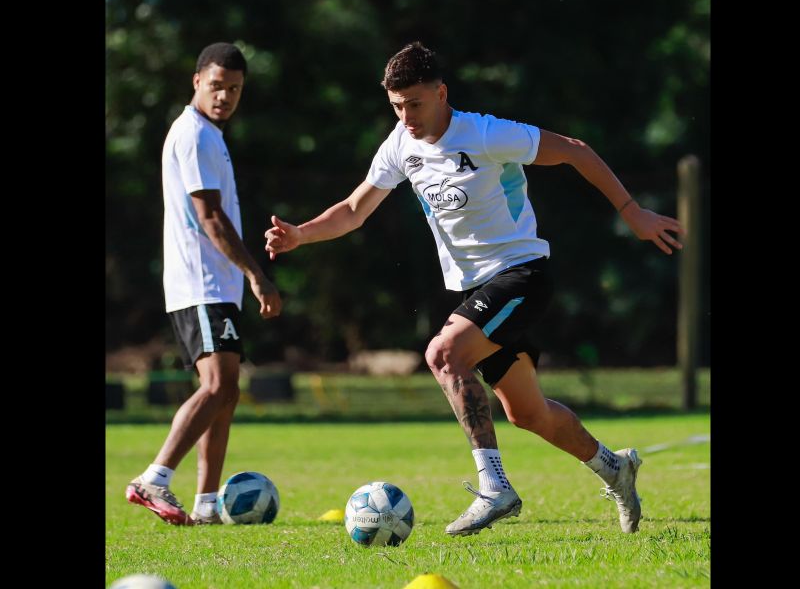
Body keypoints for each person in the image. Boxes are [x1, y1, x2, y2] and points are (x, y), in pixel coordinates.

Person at [265, 41, 685, 536]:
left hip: (522, 274)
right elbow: (356, 209)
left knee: (443, 354)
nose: (406, 116)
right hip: (478, 290)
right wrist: (301, 234)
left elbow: (574, 150)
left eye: (415, 103)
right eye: (397, 106)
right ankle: (615, 467)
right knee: (527, 413)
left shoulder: (486, 133)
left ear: (442, 93)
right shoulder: (401, 144)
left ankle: (494, 487)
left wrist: (632, 211)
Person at [126, 43, 282, 526]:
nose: (225, 97)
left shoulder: (209, 135)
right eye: (217, 86)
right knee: (217, 385)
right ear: (197, 82)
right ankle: (154, 477)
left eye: (234, 89)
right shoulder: (193, 135)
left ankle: (208, 504)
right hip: (202, 282)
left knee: (227, 388)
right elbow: (209, 217)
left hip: (216, 285)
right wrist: (257, 274)